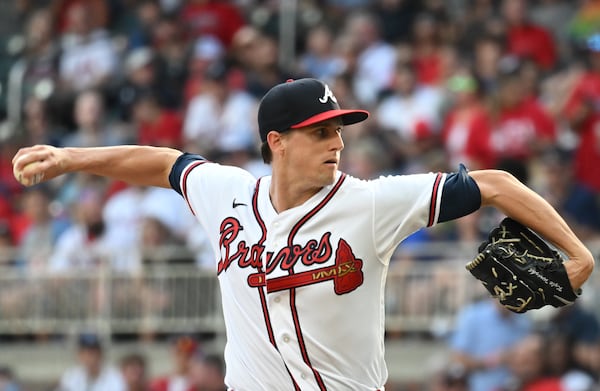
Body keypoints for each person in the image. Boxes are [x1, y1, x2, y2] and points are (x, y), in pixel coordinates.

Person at [13, 78, 594, 390]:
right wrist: (71, 157)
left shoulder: (369, 203)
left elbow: (492, 183)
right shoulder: (227, 193)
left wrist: (575, 253)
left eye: (338, 130)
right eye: (319, 133)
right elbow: (162, 162)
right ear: (278, 141)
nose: (337, 143)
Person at [57, 333, 126, 391]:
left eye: (92, 352)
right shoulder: (71, 375)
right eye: (84, 352)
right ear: (79, 355)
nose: (88, 357)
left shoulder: (115, 375)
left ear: (101, 353)